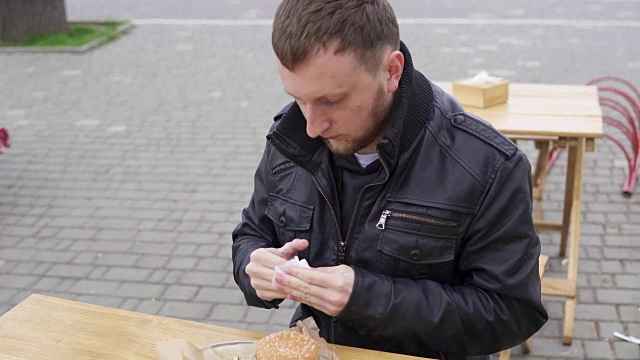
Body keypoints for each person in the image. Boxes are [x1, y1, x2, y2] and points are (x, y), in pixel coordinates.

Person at [232, 1, 548, 359]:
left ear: (392, 71)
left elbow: (512, 312)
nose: (312, 125)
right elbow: (252, 234)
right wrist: (253, 267)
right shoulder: (291, 139)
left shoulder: (487, 165)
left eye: (331, 100)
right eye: (298, 99)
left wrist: (368, 298)